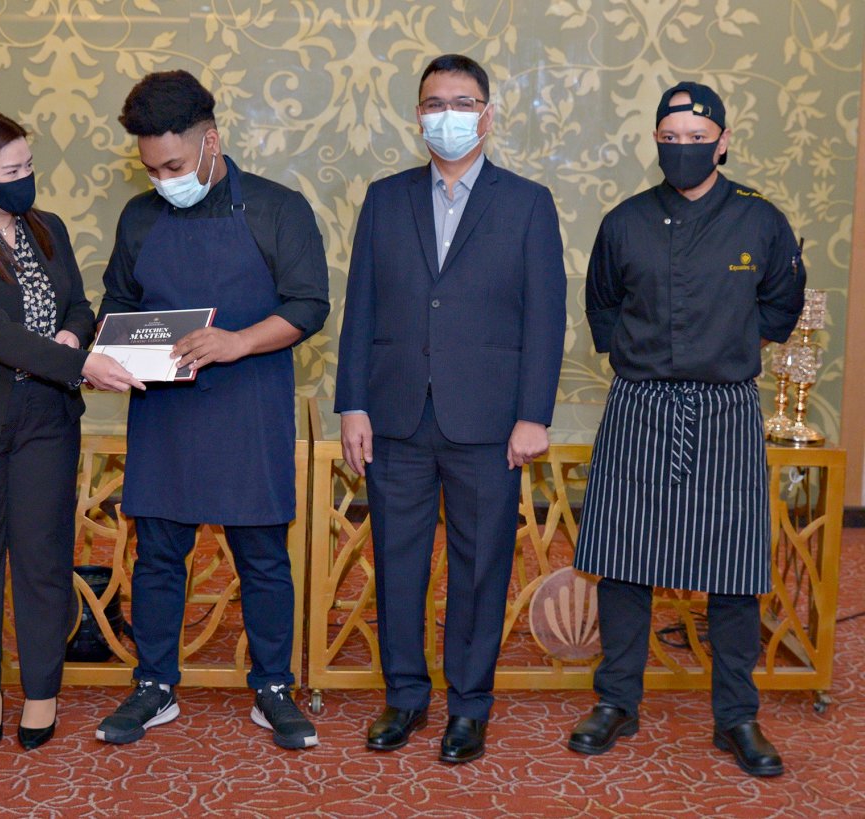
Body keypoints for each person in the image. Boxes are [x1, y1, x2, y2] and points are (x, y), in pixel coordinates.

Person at [568, 81, 806, 778]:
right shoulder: (625, 221)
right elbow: (602, 307)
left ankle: (736, 715)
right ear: (656, 141)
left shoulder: (761, 220)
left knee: (734, 570)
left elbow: (781, 306)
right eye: (670, 140)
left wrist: (722, 348)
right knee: (622, 561)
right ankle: (616, 700)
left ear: (723, 142)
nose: (682, 150)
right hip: (639, 403)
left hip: (727, 406)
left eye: (696, 140)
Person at [335, 54, 567, 764]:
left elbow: (546, 317)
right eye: (434, 103)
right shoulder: (385, 198)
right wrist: (352, 403)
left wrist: (533, 414)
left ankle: (469, 706)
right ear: (417, 117)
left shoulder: (527, 203)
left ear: (487, 115)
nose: (448, 115)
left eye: (462, 103)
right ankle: (405, 696)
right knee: (397, 564)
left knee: (479, 567)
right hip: (396, 416)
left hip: (489, 422)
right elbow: (360, 307)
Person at [94, 70, 329, 750]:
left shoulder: (278, 209)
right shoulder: (140, 217)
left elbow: (309, 305)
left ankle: (274, 686)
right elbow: (118, 302)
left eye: (173, 165)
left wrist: (237, 342)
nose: (163, 179)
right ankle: (154, 684)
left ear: (211, 142)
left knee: (263, 556)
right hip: (164, 409)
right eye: (150, 168)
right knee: (157, 554)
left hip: (249, 403)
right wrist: (115, 352)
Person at [0, 111, 142, 752]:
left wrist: (73, 332)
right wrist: (81, 363)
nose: (25, 179)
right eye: (11, 170)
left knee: (44, 561)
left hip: (46, 418)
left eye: (29, 166)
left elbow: (79, 303)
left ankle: (43, 692)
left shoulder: (49, 229)